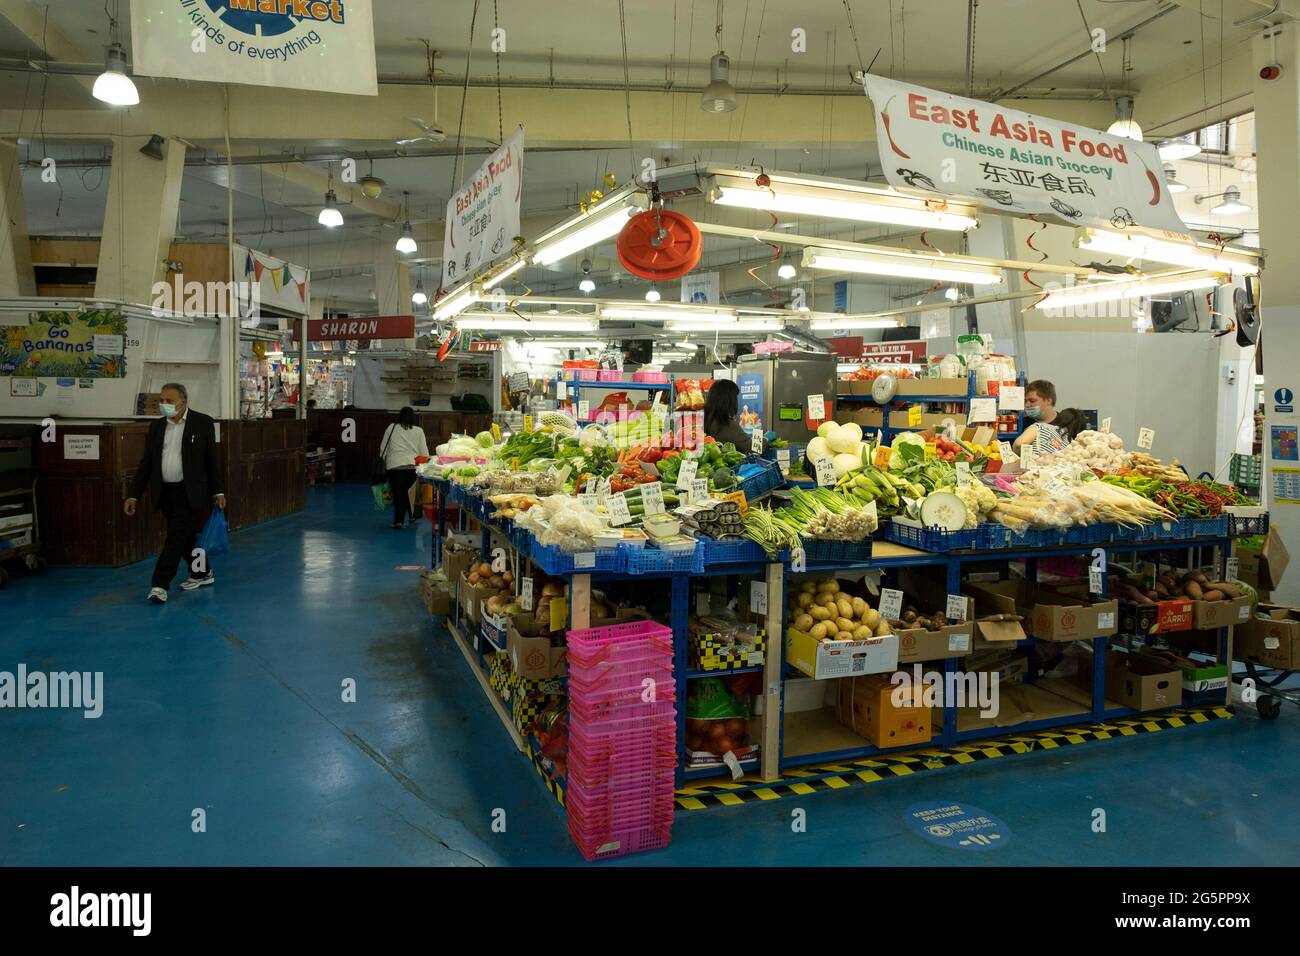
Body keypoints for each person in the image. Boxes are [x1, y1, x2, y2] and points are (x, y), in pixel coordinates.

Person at [123, 383, 225, 604]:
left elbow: (211, 461)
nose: (164, 405)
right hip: (165, 492)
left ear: (184, 402)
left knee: (174, 538)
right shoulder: (157, 427)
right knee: (185, 537)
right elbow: (146, 464)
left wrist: (218, 491)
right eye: (162, 400)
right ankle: (202, 573)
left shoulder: (203, 422)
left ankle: (159, 585)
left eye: (169, 401)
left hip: (190, 492)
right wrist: (133, 495)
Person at [380, 406, 430, 529]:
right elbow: (424, 452)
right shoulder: (419, 430)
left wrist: (384, 458)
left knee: (399, 494)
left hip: (395, 466)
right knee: (410, 493)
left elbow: (383, 449)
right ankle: (412, 516)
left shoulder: (391, 428)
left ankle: (398, 521)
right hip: (412, 466)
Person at [1014, 379, 1070, 456]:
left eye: (1032, 401)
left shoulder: (1067, 422)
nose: (1027, 405)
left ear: (1048, 401)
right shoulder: (1021, 425)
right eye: (1025, 401)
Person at [702, 378, 753, 453]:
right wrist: (766, 439)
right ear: (730, 400)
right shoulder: (726, 424)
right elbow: (750, 447)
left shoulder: (704, 418)